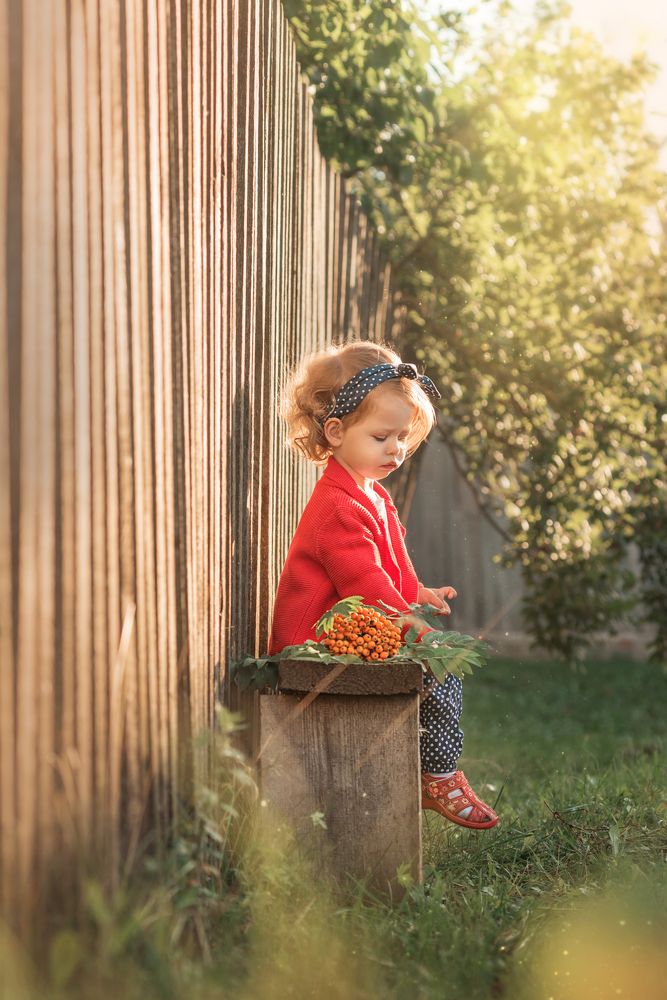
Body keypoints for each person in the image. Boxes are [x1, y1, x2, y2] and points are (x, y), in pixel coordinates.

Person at [268, 339, 498, 830]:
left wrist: (418, 593)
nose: (395, 449)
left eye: (401, 437)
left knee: (437, 662)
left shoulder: (369, 493)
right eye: (381, 437)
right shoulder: (336, 506)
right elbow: (365, 580)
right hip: (315, 641)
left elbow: (392, 561)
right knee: (442, 668)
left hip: (355, 627)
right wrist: (410, 623)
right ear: (335, 431)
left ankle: (425, 766)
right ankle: (437, 776)